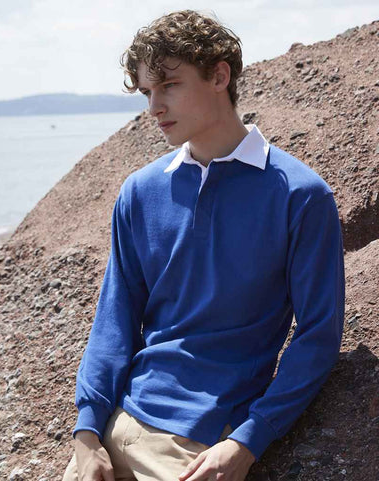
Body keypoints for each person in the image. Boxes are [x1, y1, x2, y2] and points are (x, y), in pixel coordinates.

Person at [62, 9, 345, 481]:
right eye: (147, 91)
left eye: (169, 85)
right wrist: (87, 432)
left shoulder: (300, 196)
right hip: (114, 427)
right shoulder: (140, 192)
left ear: (219, 76)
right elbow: (114, 320)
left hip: (194, 444)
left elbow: (318, 334)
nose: (154, 107)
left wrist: (247, 441)